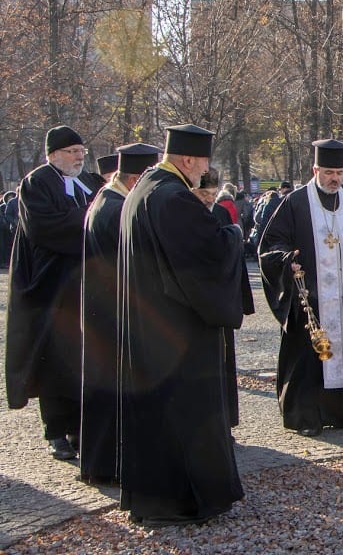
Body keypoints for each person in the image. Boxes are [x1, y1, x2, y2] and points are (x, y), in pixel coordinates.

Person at [118, 124, 245, 527]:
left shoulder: (146, 189)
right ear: (188, 159)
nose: (205, 169)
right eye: (204, 160)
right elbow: (205, 256)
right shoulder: (174, 198)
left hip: (152, 325)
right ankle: (183, 501)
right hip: (178, 330)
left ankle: (158, 500)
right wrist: (234, 234)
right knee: (183, 414)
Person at [258, 139, 343, 437]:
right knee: (309, 358)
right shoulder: (295, 202)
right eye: (329, 172)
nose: (335, 178)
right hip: (312, 298)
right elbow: (271, 245)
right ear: (315, 169)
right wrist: (286, 261)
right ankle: (305, 416)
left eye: (339, 172)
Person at [5, 125, 105, 461]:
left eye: (81, 150)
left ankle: (81, 427)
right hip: (52, 289)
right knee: (55, 363)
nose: (79, 157)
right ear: (53, 155)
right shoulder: (37, 182)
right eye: (72, 152)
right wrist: (91, 218)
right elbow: (46, 227)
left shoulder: (90, 182)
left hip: (86, 289)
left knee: (85, 361)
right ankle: (56, 432)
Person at [79, 143, 160, 485]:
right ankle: (109, 465)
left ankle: (103, 463)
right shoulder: (115, 209)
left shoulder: (107, 200)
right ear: (135, 179)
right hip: (113, 313)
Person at [194, 167, 256, 429]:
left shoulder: (218, 212)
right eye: (203, 193)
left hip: (223, 298)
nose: (208, 198)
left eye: (212, 193)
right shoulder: (187, 214)